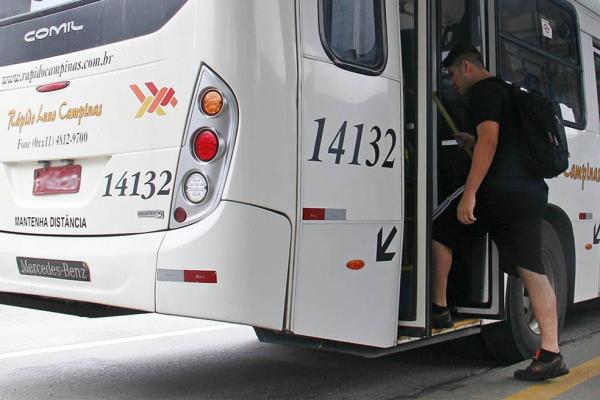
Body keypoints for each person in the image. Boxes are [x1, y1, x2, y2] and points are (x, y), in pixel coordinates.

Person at [432, 43, 569, 381]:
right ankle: (551, 352)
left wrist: (471, 195)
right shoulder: (510, 91)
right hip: (529, 193)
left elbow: (491, 142)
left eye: (452, 74)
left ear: (467, 67)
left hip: (499, 194)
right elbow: (501, 142)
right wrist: (472, 141)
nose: (452, 83)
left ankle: (438, 310)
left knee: (437, 228)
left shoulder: (483, 94)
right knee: (534, 270)